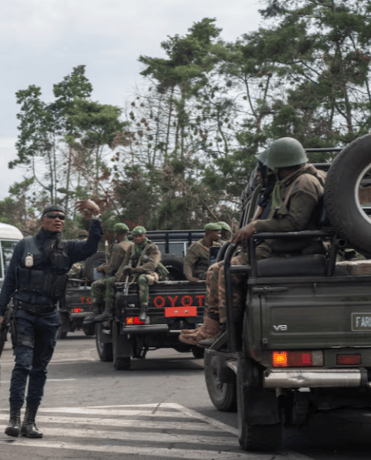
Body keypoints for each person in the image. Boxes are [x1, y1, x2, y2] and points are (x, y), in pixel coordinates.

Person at [180, 137, 325, 346]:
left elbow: (294, 223)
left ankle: (230, 331)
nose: (261, 174)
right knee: (214, 270)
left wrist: (256, 227)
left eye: (265, 169)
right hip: (279, 247)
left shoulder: (305, 183)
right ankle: (211, 327)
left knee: (227, 270)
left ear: (281, 168)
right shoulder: (290, 183)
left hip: (293, 250)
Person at [0, 201, 103, 438]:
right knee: (23, 364)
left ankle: (29, 421)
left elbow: (92, 246)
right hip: (24, 311)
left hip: (49, 314)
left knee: (40, 369)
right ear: (42, 220)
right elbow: (10, 279)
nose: (58, 220)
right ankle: (14, 418)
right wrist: (0, 310)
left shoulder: (70, 247)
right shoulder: (25, 245)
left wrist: (95, 217)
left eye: (62, 217)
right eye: (53, 216)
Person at [85, 222, 133, 324]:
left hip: (121, 276)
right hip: (131, 275)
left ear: (117, 234)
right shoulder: (132, 244)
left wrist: (101, 268)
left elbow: (112, 267)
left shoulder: (119, 246)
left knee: (96, 285)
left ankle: (99, 311)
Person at [114, 226, 161, 322]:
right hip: (134, 273)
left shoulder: (152, 247)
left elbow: (152, 265)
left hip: (149, 273)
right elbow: (125, 263)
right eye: (135, 236)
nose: (138, 238)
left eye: (140, 236)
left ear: (145, 235)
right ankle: (116, 312)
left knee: (142, 279)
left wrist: (135, 270)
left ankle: (144, 309)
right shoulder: (131, 247)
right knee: (113, 282)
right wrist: (119, 276)